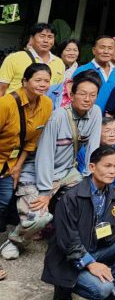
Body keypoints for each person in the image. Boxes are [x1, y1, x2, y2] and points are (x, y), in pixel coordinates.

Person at [6, 70, 102, 259]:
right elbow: (44, 154)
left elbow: (93, 148)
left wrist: (90, 179)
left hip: (67, 171)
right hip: (38, 172)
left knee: (89, 201)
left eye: (92, 95)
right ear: (71, 95)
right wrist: (45, 191)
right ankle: (15, 240)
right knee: (39, 218)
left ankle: (67, 240)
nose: (87, 99)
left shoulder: (96, 113)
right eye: (82, 94)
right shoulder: (58, 116)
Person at [42, 146, 115, 300]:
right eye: (107, 166)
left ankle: (109, 280)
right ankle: (65, 286)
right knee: (102, 290)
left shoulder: (114, 194)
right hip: (68, 259)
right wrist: (91, 264)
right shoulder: (71, 198)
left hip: (95, 248)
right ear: (92, 167)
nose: (113, 171)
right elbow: (68, 241)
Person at [0, 64, 54, 264]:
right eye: (37, 80)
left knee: (4, 199)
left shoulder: (47, 104)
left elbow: (32, 140)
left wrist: (18, 166)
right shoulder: (6, 103)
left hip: (12, 162)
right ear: (24, 82)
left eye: (46, 81)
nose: (43, 84)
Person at [0, 22, 65, 98]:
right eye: (42, 36)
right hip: (14, 106)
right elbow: (1, 88)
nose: (46, 40)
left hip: (43, 108)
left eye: (50, 37)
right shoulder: (14, 58)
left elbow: (57, 92)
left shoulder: (59, 63)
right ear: (31, 38)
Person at [72, 36, 115, 114]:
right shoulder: (82, 70)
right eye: (102, 47)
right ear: (94, 50)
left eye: (110, 48)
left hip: (108, 122)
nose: (106, 51)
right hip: (84, 119)